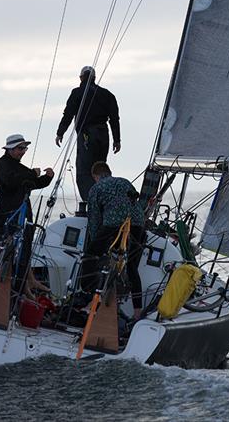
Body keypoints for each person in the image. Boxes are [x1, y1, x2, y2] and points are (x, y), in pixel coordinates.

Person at [0, 133, 54, 299]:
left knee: (26, 249)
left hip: (24, 213)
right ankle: (15, 286)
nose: (23, 151)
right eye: (20, 148)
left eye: (24, 148)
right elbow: (12, 181)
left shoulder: (18, 166)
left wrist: (47, 178)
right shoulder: (3, 165)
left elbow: (32, 183)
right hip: (11, 214)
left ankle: (25, 284)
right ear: (11, 149)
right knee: (13, 251)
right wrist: (32, 175)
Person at [83, 161, 145, 320]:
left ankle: (89, 298)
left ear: (95, 176)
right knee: (132, 267)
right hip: (137, 225)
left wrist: (95, 241)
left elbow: (94, 220)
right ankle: (138, 312)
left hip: (113, 225)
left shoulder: (96, 188)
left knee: (92, 256)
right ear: (109, 172)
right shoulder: (124, 181)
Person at [55, 66, 121, 201]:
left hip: (87, 134)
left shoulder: (77, 93)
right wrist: (117, 140)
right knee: (100, 168)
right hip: (103, 135)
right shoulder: (107, 94)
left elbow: (68, 114)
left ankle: (89, 202)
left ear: (81, 78)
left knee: (85, 170)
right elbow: (114, 119)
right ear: (94, 78)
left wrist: (60, 133)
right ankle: (105, 198)